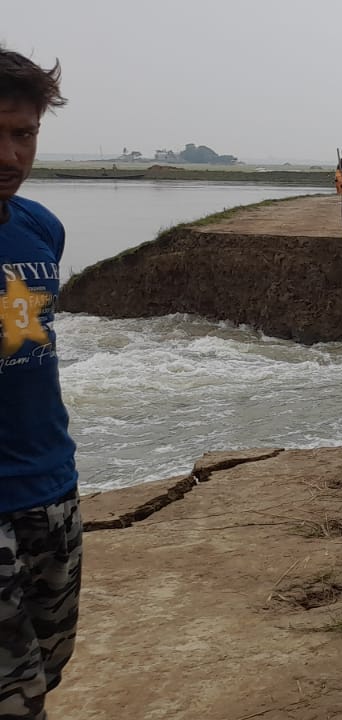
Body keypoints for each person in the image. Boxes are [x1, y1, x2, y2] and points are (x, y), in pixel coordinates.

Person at [0, 46, 80, 720]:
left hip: (51, 491)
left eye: (22, 134)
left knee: (48, 670)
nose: (8, 155)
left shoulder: (39, 230)